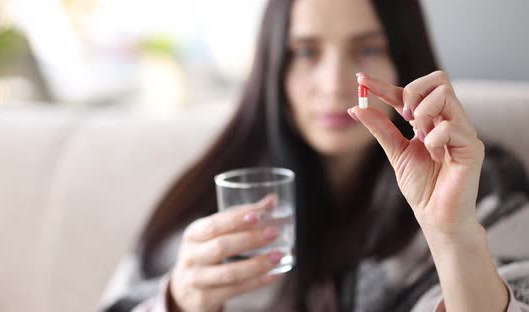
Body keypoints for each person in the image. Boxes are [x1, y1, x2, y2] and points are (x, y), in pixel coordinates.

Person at [100, 0, 529, 311]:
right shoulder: (213, 193)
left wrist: (453, 236)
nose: (333, 83)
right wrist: (177, 301)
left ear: (405, 59)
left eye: (367, 49)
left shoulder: (482, 182)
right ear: (273, 68)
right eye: (305, 53)